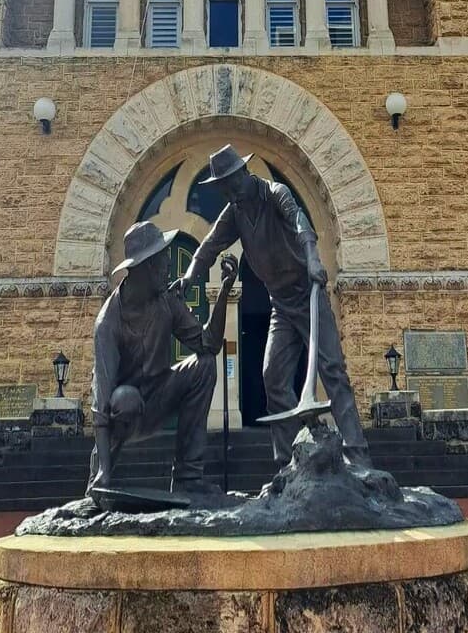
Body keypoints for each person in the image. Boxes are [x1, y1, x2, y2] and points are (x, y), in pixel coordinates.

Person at [171, 145, 371, 469]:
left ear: (241, 175)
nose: (225, 190)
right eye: (220, 185)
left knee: (332, 369)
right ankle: (289, 460)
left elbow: (301, 224)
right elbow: (208, 246)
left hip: (308, 293)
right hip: (279, 302)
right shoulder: (235, 211)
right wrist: (189, 276)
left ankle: (358, 455)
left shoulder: (275, 193)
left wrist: (312, 261)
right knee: (273, 376)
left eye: (226, 182)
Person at [88, 219, 237, 494]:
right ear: (145, 267)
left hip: (159, 396)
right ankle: (101, 477)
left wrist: (225, 290)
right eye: (162, 259)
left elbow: (208, 345)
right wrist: (102, 474)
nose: (168, 266)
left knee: (204, 366)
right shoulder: (108, 322)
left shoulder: (166, 301)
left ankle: (187, 478)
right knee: (124, 399)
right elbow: (101, 406)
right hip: (124, 414)